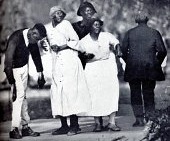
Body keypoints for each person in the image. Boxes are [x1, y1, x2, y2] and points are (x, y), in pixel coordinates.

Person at [46, 6, 91, 136]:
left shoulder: (66, 24)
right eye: (57, 13)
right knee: (57, 93)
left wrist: (62, 46)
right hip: (57, 64)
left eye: (61, 13)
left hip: (69, 61)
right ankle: (64, 126)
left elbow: (76, 41)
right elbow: (48, 46)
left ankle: (75, 126)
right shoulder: (50, 29)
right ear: (52, 15)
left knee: (70, 92)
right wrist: (51, 47)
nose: (60, 15)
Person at [121, 11, 167, 127]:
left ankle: (139, 119)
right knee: (149, 93)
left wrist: (130, 62)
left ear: (136, 20)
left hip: (134, 68)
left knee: (135, 93)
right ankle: (150, 118)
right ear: (147, 20)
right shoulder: (154, 33)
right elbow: (162, 51)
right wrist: (155, 63)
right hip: (150, 67)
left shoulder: (129, 33)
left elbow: (122, 52)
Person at [79, 15, 121, 132]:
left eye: (99, 24)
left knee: (111, 92)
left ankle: (112, 122)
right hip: (93, 68)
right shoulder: (83, 41)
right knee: (95, 94)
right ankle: (97, 123)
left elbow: (116, 42)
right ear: (89, 27)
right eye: (94, 24)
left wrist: (118, 48)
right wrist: (85, 56)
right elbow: (80, 54)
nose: (97, 27)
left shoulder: (106, 36)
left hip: (107, 66)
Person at [4, 23, 47, 139]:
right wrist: (11, 80)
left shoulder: (32, 37)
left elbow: (35, 55)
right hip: (13, 70)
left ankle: (25, 127)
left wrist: (40, 74)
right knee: (18, 97)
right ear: (32, 34)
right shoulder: (15, 38)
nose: (37, 42)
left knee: (23, 98)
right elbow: (7, 61)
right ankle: (14, 129)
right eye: (37, 39)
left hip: (24, 67)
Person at [72, 1, 97, 69]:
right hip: (78, 57)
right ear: (81, 13)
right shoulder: (75, 26)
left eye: (91, 10)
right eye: (87, 10)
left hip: (93, 56)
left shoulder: (96, 26)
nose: (89, 12)